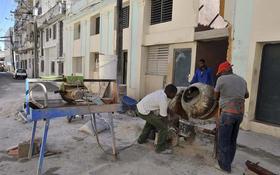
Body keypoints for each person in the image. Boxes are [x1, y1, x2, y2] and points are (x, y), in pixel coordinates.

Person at [214, 61, 249, 173]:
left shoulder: (221, 80)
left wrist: (223, 95)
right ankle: (228, 161)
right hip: (239, 114)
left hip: (228, 113)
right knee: (232, 140)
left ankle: (224, 167)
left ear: (225, 70)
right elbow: (246, 95)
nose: (220, 75)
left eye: (220, 73)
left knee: (223, 140)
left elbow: (215, 95)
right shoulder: (242, 80)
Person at [136, 84, 177, 153]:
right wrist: (170, 124)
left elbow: (165, 108)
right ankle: (160, 148)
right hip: (143, 111)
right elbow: (163, 117)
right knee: (163, 128)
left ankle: (141, 140)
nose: (174, 96)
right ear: (170, 93)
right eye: (174, 94)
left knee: (150, 123)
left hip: (141, 107)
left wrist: (172, 113)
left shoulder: (162, 92)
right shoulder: (163, 99)